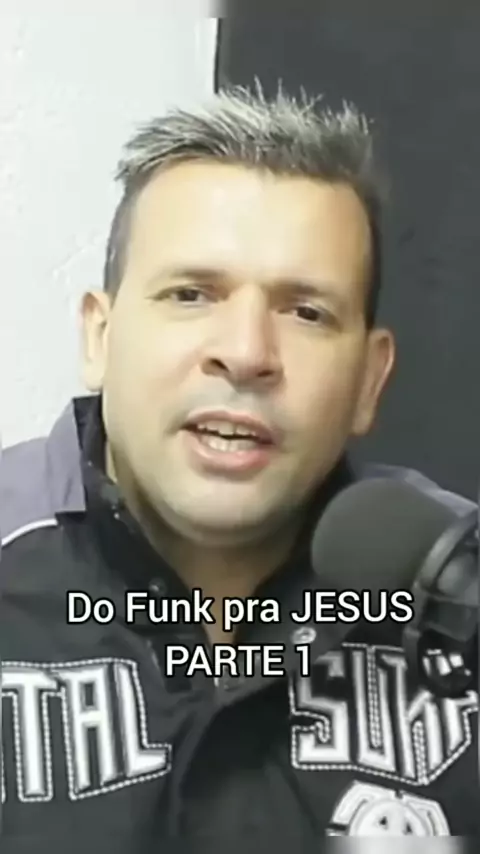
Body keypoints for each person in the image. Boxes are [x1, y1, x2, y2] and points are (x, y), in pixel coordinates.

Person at [0, 85, 477, 852]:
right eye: (191, 294)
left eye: (306, 312)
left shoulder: (462, 592)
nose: (247, 353)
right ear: (100, 337)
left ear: (369, 379)